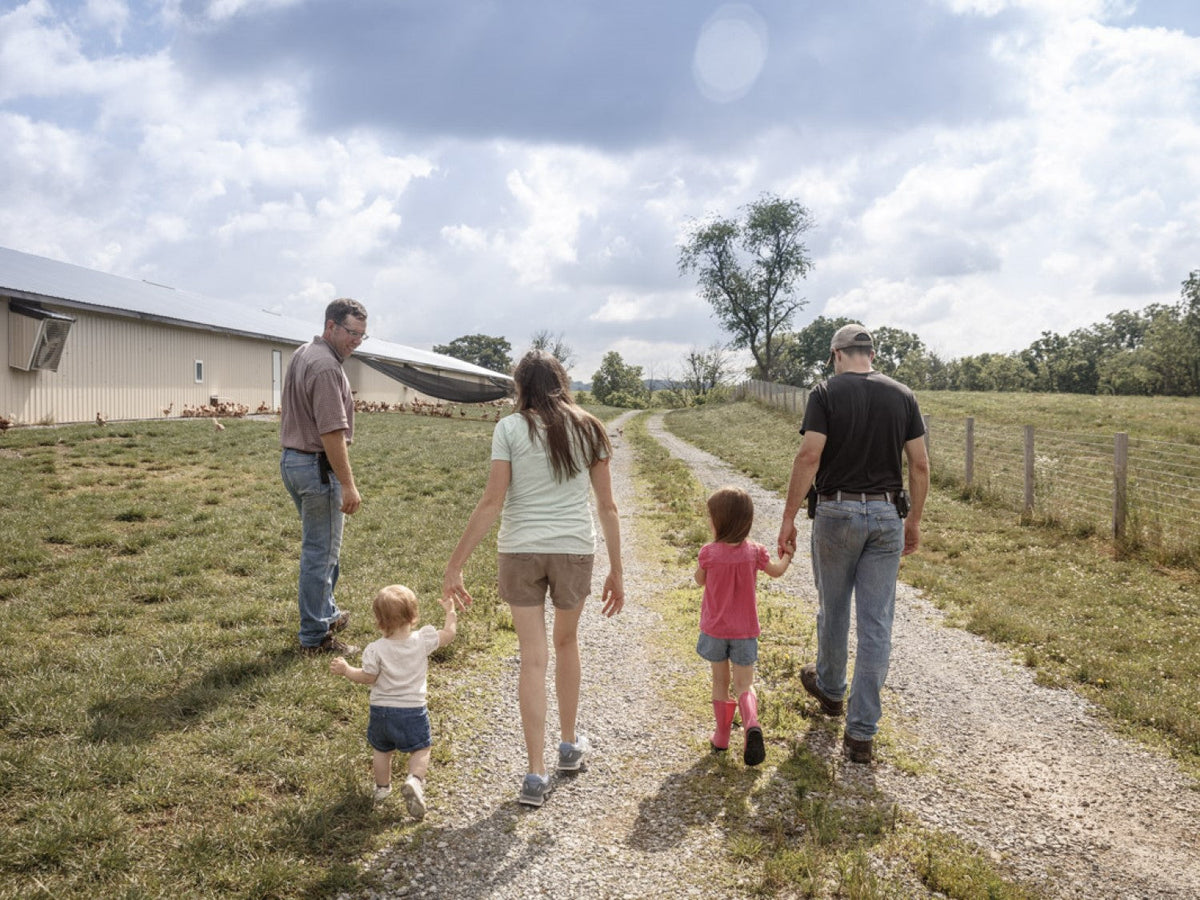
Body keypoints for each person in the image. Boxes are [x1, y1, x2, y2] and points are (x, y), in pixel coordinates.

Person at [442, 349, 624, 808]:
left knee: (532, 658)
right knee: (566, 644)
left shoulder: (509, 428)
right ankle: (568, 746)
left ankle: (535, 773)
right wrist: (617, 570)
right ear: (561, 380)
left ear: (521, 385)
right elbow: (607, 506)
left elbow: (491, 503)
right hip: (573, 550)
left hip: (519, 550)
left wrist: (455, 563)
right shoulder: (590, 426)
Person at [777, 324, 929, 765]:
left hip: (837, 511)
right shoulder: (903, 395)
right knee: (877, 623)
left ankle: (830, 690)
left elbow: (809, 455)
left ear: (836, 354)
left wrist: (787, 517)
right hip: (887, 516)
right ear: (872, 353)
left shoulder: (825, 393)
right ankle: (861, 733)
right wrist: (914, 520)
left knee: (835, 608)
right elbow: (919, 465)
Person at [280, 298, 368, 655]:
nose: (356, 341)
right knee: (320, 553)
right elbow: (332, 431)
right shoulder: (327, 368)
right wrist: (347, 484)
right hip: (317, 467)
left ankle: (326, 612)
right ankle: (315, 636)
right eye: (351, 332)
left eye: (363, 335)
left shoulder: (305, 353)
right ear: (331, 326)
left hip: (294, 462)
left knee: (324, 546)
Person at [329, 585, 457, 819]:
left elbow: (368, 677)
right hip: (412, 710)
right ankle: (415, 780)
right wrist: (451, 612)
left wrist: (347, 670)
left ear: (379, 622)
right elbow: (449, 634)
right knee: (421, 748)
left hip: (381, 712)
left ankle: (381, 789)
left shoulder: (375, 650)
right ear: (414, 616)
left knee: (382, 750)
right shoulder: (422, 640)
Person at [695, 486, 793, 767]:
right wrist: (788, 555)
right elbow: (776, 571)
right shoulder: (755, 552)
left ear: (719, 522)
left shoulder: (709, 553)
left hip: (715, 629)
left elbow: (699, 580)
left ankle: (722, 736)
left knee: (720, 683)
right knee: (744, 684)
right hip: (745, 631)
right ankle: (751, 723)